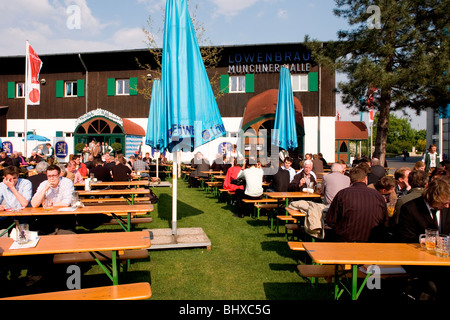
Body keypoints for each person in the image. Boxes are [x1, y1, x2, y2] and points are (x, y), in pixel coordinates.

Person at [394, 177, 450, 300]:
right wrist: (424, 240)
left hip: (444, 260)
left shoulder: (447, 207)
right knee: (432, 287)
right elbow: (404, 237)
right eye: (443, 203)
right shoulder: (410, 208)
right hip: (420, 262)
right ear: (433, 198)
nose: (446, 206)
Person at [325, 166, 389, 242]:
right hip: (372, 239)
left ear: (350, 180)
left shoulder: (342, 194)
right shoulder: (377, 195)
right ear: (366, 179)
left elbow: (331, 220)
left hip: (346, 239)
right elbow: (385, 221)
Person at [31, 165, 75, 234]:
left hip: (64, 217)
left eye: (54, 175)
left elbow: (66, 202)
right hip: (47, 218)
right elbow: (34, 204)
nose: (52, 178)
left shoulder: (67, 182)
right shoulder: (44, 184)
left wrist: (49, 205)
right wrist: (45, 189)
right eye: (49, 176)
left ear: (59, 175)